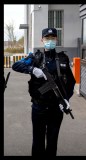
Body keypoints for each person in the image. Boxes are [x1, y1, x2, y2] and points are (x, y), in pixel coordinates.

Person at [12, 28, 76, 156]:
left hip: (56, 107)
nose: (50, 41)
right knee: (38, 140)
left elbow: (71, 82)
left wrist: (66, 100)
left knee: (52, 140)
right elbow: (16, 65)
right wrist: (32, 69)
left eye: (53, 38)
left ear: (56, 40)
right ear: (42, 40)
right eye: (47, 38)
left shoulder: (63, 58)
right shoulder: (35, 57)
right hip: (39, 106)